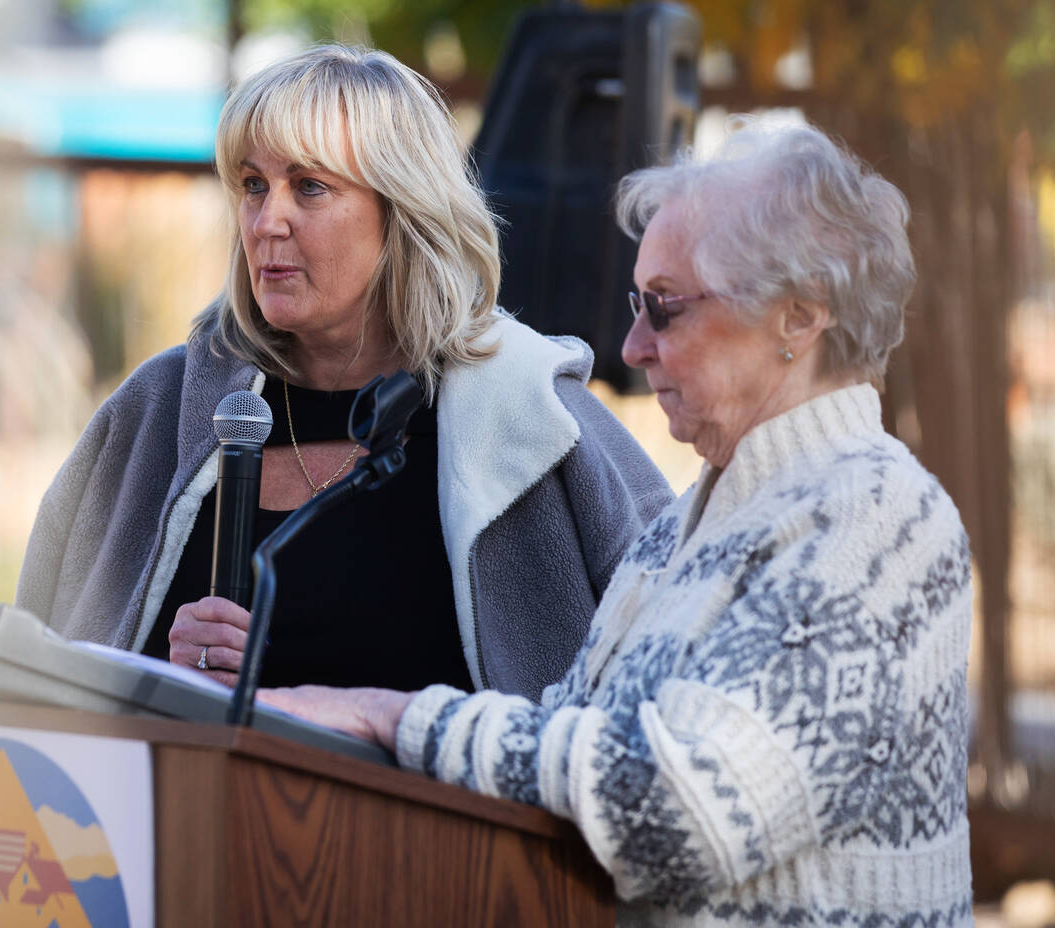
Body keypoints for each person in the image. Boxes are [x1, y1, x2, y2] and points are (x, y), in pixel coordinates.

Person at [262, 120, 975, 925]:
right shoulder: (690, 526)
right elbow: (560, 746)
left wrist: (392, 716)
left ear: (798, 318)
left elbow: (682, 815)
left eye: (665, 308)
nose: (632, 345)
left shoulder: (875, 519)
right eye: (639, 304)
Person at [15, 45, 673, 700]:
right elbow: (29, 683)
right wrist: (155, 681)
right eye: (252, 186)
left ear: (403, 213)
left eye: (309, 187)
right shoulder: (159, 412)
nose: (268, 221)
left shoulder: (534, 419)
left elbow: (674, 660)